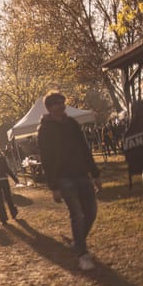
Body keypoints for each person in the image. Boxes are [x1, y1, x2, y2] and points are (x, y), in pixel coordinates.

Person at [37, 91, 102, 271]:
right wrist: (53, 186)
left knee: (91, 212)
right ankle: (82, 254)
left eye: (63, 103)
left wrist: (95, 174)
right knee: (77, 214)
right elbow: (46, 159)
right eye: (58, 103)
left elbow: (84, 149)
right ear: (50, 108)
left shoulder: (72, 124)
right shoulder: (45, 129)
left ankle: (77, 242)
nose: (62, 107)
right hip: (63, 178)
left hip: (82, 174)